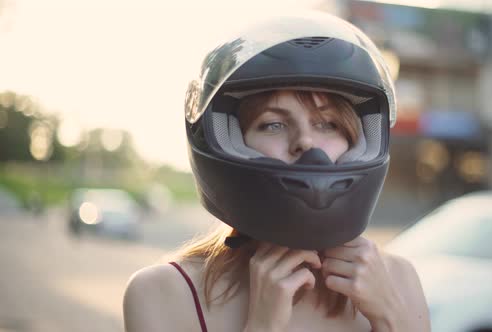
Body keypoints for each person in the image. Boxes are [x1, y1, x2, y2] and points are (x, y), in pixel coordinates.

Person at [123, 11, 430, 332]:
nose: (306, 142)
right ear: (230, 139)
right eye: (274, 124)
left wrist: (392, 319)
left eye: (327, 123)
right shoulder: (162, 293)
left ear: (358, 139)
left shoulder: (399, 281)